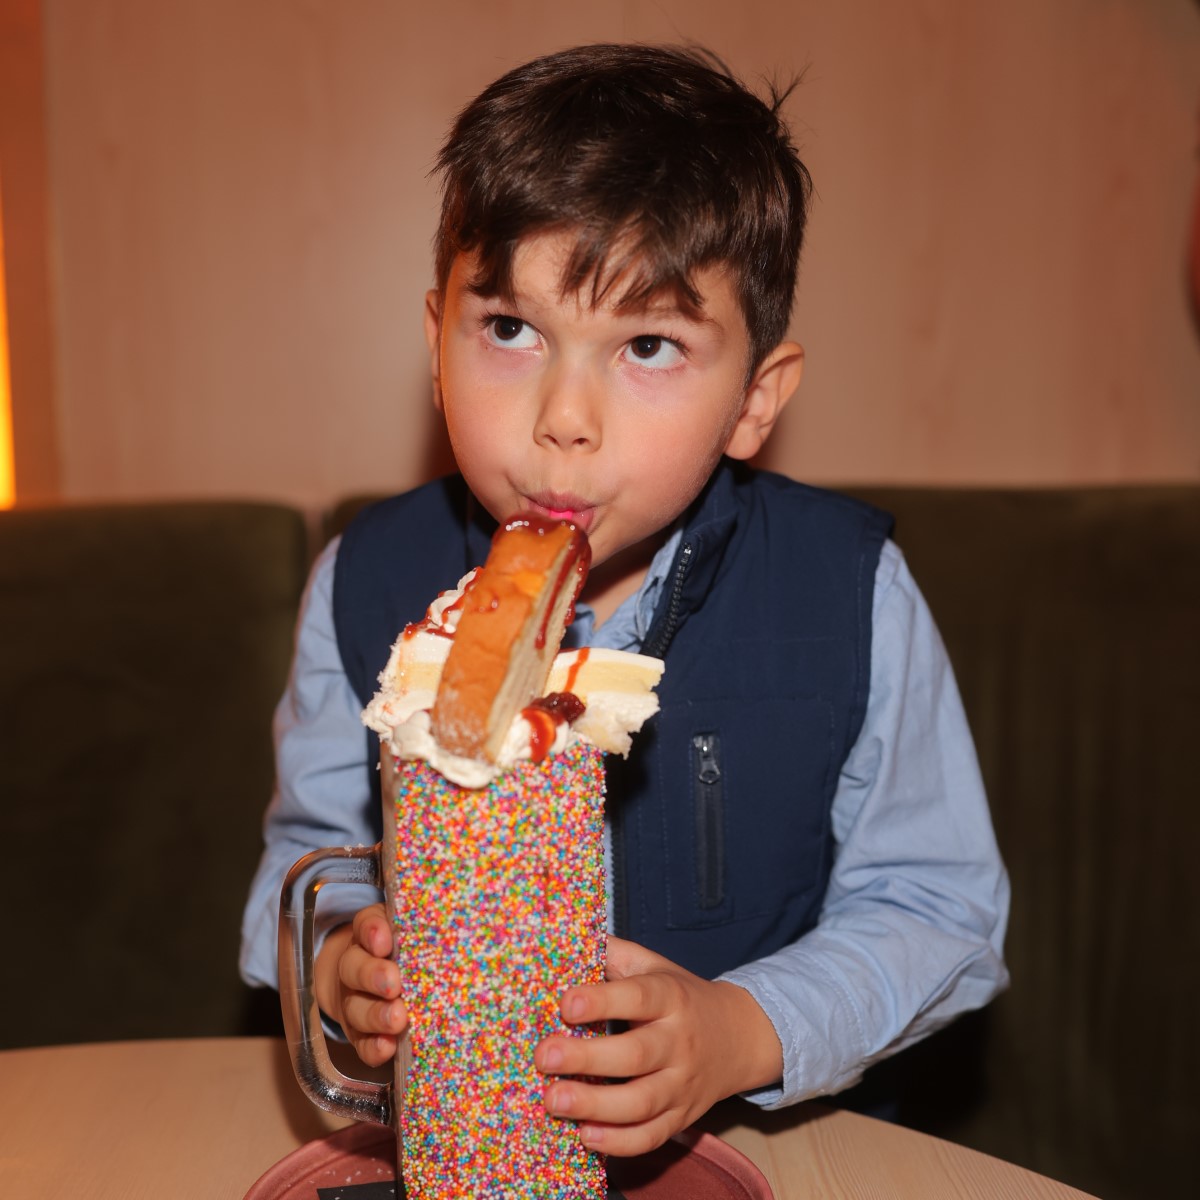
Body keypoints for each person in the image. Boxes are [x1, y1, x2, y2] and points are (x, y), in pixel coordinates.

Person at [240, 43, 1009, 1157]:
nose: (565, 416)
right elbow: (307, 863)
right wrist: (334, 970)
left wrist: (746, 1029)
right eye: (510, 331)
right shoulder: (363, 582)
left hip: (782, 1146)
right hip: (470, 1148)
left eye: (648, 345)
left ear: (756, 399)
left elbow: (939, 914)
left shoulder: (848, 591)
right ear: (436, 346)